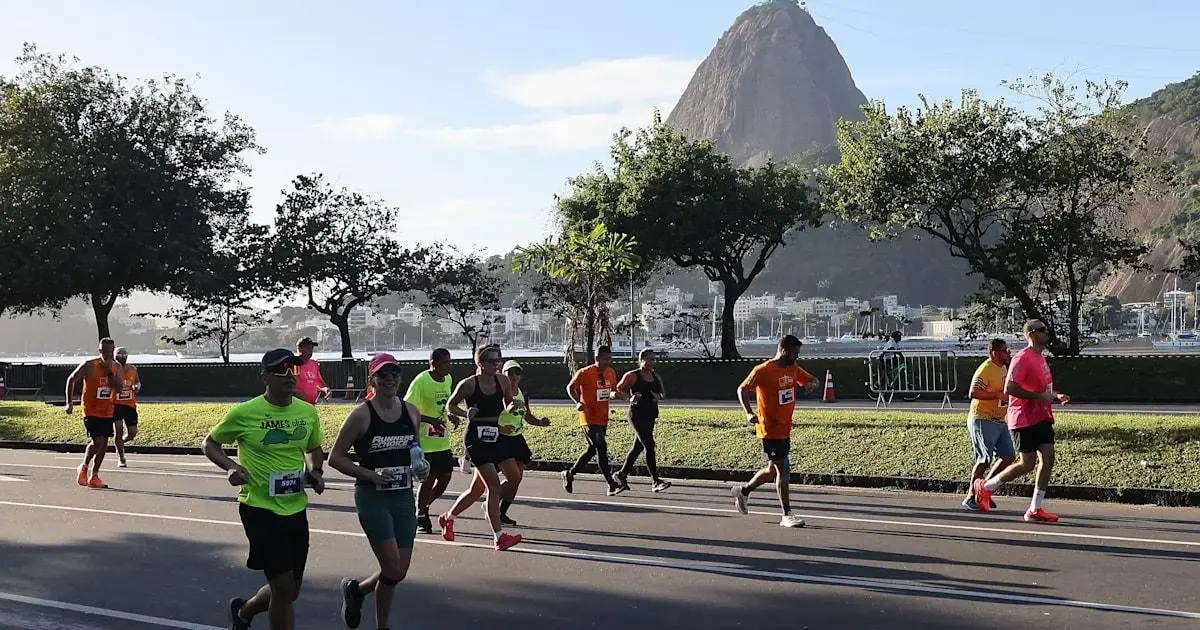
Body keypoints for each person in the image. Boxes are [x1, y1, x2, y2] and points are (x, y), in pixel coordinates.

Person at [203, 348, 326, 630]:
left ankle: (244, 611)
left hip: (296, 507)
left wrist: (315, 472)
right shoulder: (245, 412)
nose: (289, 376)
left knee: (290, 591)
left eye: (293, 369)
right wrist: (231, 467)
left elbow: (314, 448)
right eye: (281, 370)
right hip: (259, 508)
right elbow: (210, 443)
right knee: (283, 590)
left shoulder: (307, 412)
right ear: (265, 378)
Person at [330, 353, 428, 630]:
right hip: (373, 498)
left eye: (394, 373)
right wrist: (370, 475)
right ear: (371, 379)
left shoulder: (411, 412)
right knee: (392, 569)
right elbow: (336, 458)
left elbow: (415, 451)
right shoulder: (362, 414)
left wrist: (422, 468)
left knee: (398, 572)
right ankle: (382, 626)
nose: (389, 379)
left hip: (403, 496)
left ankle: (357, 591)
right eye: (382, 374)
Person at [973, 320, 1070, 523]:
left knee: (1048, 457)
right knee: (1026, 464)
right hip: (1023, 417)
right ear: (1032, 334)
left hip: (1042, 415)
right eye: (1042, 330)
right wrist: (1037, 398)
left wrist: (1056, 395)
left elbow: (1042, 389)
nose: (1047, 333)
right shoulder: (1022, 358)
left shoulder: (1040, 358)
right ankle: (986, 486)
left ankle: (1035, 509)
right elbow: (1010, 388)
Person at [437, 344, 523, 551]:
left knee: (512, 477)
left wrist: (513, 407)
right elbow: (451, 404)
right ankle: (499, 536)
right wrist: (465, 413)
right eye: (493, 361)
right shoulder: (468, 384)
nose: (498, 364)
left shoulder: (502, 380)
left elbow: (508, 402)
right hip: (476, 437)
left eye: (499, 360)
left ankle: (449, 517)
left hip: (497, 434)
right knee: (492, 486)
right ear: (481, 364)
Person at [731, 335, 817, 528]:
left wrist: (812, 384)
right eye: (794, 353)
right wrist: (748, 413)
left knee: (772, 470)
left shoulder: (793, 369)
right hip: (769, 428)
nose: (797, 357)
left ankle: (743, 491)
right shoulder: (763, 370)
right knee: (783, 470)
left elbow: (812, 379)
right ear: (784, 350)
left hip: (785, 428)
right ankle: (787, 514)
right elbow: (742, 389)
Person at [404, 348, 456, 534]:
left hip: (442, 440)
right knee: (428, 479)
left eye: (450, 362)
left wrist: (451, 415)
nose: (449, 366)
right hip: (425, 440)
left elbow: (446, 405)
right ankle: (420, 517)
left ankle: (423, 507)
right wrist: (429, 420)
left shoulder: (448, 379)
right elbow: (408, 409)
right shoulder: (421, 381)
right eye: (445, 363)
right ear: (433, 364)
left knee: (445, 478)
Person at [493, 359, 550, 525]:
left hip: (517, 439)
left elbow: (527, 416)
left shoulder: (522, 393)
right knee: (513, 477)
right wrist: (501, 429)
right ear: (503, 375)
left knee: (517, 479)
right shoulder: (498, 392)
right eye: (510, 373)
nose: (514, 376)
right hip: (501, 439)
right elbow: (490, 415)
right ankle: (490, 503)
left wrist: (540, 422)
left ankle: (501, 513)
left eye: (517, 372)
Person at [962, 339, 1015, 512]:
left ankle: (985, 490)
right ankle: (971, 496)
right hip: (982, 418)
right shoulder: (986, 368)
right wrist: (997, 395)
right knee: (984, 459)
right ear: (995, 352)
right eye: (1004, 351)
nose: (1007, 353)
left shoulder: (1004, 368)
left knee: (1008, 457)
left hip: (999, 419)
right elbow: (973, 392)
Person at [64, 337, 124, 489]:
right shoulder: (90, 365)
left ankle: (94, 475)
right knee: (98, 441)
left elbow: (119, 388)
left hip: (107, 410)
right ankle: (84, 467)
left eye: (111, 352)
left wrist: (110, 373)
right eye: (105, 352)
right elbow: (71, 379)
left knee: (103, 444)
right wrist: (69, 402)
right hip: (90, 410)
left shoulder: (116, 367)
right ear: (100, 351)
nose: (108, 355)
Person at [562, 346, 622, 496]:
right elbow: (570, 387)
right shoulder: (585, 373)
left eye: (610, 359)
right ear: (597, 358)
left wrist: (618, 395)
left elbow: (611, 391)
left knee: (592, 450)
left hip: (602, 417)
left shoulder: (610, 372)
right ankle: (611, 483)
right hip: (588, 417)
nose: (608, 362)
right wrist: (577, 402)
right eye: (605, 359)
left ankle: (570, 473)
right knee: (601, 448)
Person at [615, 349, 671, 493]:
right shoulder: (632, 375)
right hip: (637, 415)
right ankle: (655, 480)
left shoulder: (655, 376)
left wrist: (659, 397)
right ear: (642, 360)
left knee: (638, 447)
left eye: (654, 359)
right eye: (650, 359)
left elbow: (663, 393)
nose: (652, 362)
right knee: (649, 445)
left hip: (651, 414)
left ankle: (621, 474)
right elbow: (618, 389)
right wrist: (630, 397)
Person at [112, 346, 141, 468]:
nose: (122, 357)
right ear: (115, 356)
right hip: (116, 405)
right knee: (118, 430)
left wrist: (137, 386)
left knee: (132, 433)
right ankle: (121, 457)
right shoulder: (111, 369)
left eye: (124, 355)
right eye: (119, 354)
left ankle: (120, 443)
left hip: (129, 404)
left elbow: (137, 382)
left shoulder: (132, 369)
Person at [295, 337, 331, 405]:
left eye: (312, 348)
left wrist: (325, 389)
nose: (311, 350)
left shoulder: (314, 364)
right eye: (308, 348)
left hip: (312, 404)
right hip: (298, 405)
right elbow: (290, 386)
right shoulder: (293, 364)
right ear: (299, 349)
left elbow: (318, 382)